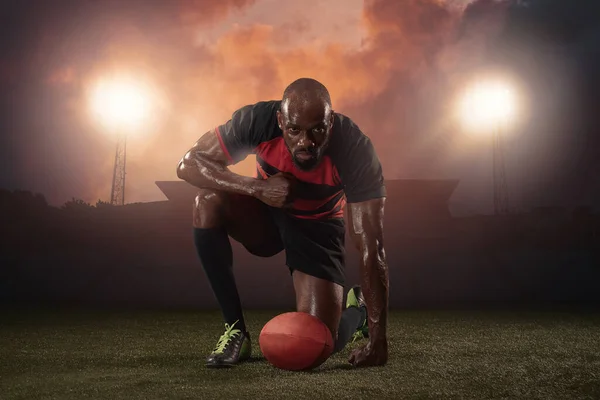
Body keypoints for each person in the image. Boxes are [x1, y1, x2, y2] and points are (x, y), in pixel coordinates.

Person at [176, 77, 389, 368]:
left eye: (317, 130)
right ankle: (236, 331)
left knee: (319, 342)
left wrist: (377, 340)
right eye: (294, 130)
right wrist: (257, 189)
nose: (306, 142)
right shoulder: (258, 121)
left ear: (331, 123)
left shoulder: (355, 150)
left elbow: (370, 247)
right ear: (280, 120)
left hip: (317, 228)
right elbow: (189, 163)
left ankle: (356, 308)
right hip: (264, 212)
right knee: (207, 203)